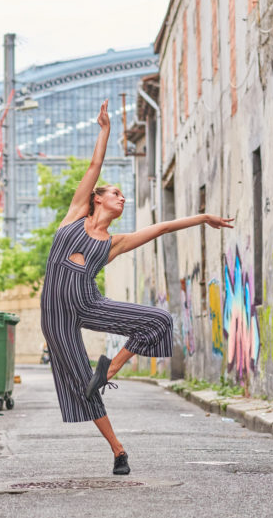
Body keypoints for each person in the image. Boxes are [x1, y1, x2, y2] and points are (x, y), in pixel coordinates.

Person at [40, 99, 233, 476]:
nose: (122, 199)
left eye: (123, 197)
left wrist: (203, 217)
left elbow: (159, 228)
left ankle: (110, 370)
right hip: (55, 313)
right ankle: (118, 450)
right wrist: (105, 130)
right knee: (82, 384)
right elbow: (94, 167)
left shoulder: (115, 242)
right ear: (97, 199)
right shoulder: (75, 215)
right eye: (116, 195)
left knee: (159, 321)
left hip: (88, 303)